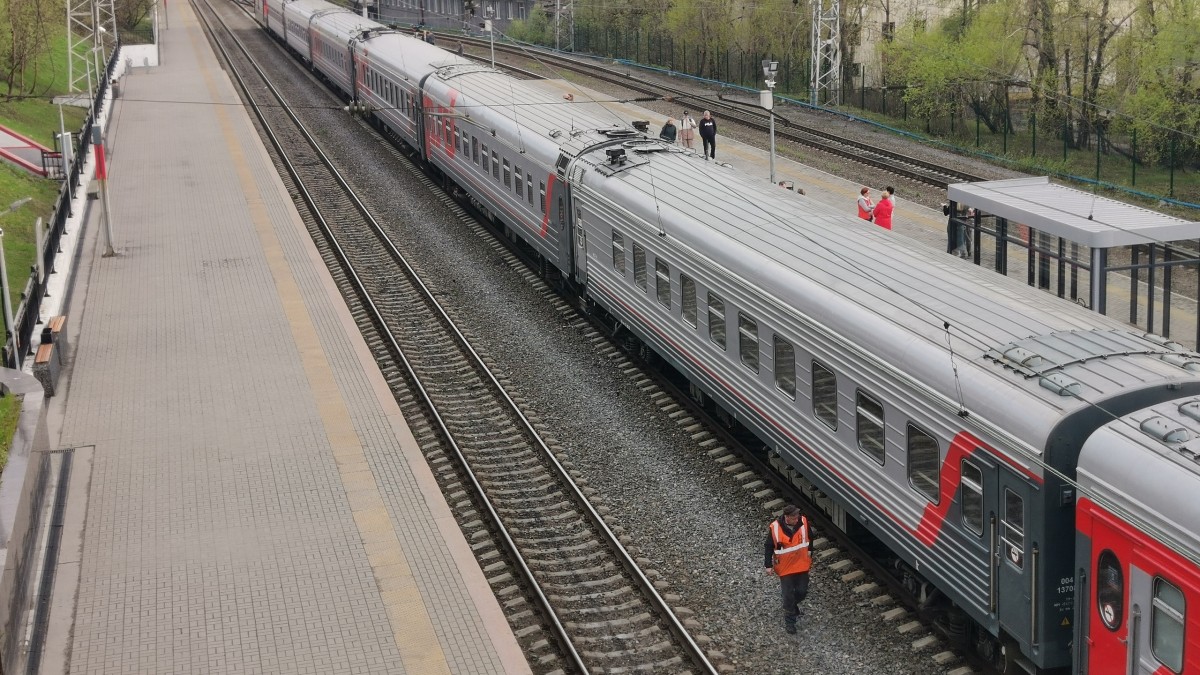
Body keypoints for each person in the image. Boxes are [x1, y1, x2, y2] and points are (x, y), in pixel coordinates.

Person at [764, 504, 812, 634]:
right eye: (794, 518)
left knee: (802, 591)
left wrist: (810, 551)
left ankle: (791, 605)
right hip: (785, 569)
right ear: (787, 517)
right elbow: (768, 546)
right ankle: (790, 621)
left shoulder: (803, 522)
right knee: (788, 595)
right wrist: (768, 565)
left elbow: (810, 537)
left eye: (797, 516)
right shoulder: (775, 528)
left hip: (802, 565)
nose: (797, 519)